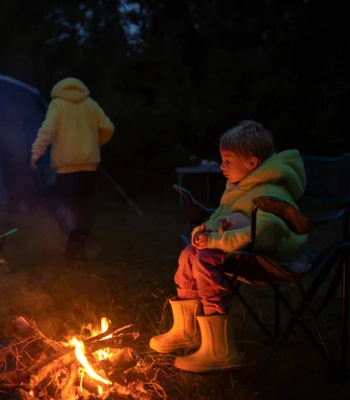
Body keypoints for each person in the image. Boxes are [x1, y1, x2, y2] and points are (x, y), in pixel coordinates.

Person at [149, 120, 308, 373]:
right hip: (240, 249)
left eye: (227, 160)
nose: (221, 166)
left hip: (269, 257)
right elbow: (220, 215)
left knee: (206, 259)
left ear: (252, 164)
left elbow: (265, 233)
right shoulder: (238, 186)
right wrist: (204, 231)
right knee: (189, 253)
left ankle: (219, 350)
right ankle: (186, 331)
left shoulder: (269, 190)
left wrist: (218, 240)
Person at [30, 69, 115, 260]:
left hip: (67, 167)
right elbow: (108, 127)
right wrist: (94, 143)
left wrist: (36, 154)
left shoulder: (57, 104)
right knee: (83, 205)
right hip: (89, 166)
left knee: (64, 204)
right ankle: (79, 244)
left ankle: (72, 243)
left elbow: (47, 130)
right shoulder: (90, 104)